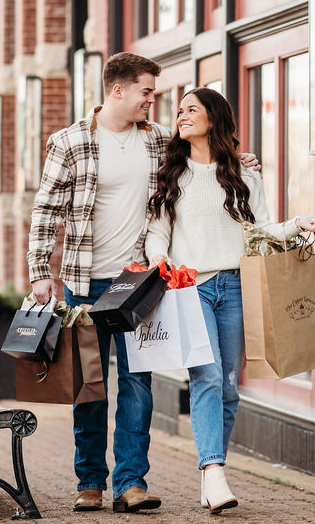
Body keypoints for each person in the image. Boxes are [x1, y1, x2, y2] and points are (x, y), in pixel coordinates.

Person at [28, 51, 259, 513]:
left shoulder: (157, 140)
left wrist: (242, 157)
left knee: (138, 383)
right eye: (147, 92)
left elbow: (203, 163)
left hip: (137, 283)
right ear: (119, 90)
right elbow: (45, 211)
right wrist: (40, 274)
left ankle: (130, 482)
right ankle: (90, 480)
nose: (153, 102)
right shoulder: (70, 142)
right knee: (88, 387)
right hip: (83, 283)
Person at [145, 87, 315, 514]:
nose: (182, 115)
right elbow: (158, 230)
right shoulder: (173, 174)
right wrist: (159, 258)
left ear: (215, 117)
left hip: (237, 287)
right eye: (179, 111)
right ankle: (213, 471)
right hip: (190, 288)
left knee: (228, 387)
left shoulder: (244, 176)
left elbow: (261, 230)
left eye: (192, 109)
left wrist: (299, 223)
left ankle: (212, 475)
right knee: (207, 377)